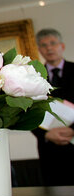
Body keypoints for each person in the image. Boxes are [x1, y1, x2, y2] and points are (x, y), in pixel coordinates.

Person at [32, 28, 74, 185]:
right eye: (43, 45)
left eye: (52, 43)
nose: (49, 48)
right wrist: (45, 135)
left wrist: (72, 130)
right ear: (39, 49)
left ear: (61, 46)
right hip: (49, 149)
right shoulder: (34, 77)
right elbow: (28, 112)